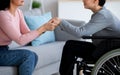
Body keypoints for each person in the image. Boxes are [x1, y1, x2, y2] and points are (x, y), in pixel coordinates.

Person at [58, 0, 120, 75]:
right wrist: (62, 26)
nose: (83, 0)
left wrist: (60, 22)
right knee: (71, 44)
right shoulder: (102, 13)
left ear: (96, 1)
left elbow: (80, 32)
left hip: (104, 51)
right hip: (104, 48)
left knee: (70, 46)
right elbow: (84, 30)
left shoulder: (103, 15)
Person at [0, 0, 60, 75]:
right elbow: (20, 40)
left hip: (5, 49)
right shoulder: (2, 15)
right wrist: (43, 28)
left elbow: (28, 34)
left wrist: (45, 26)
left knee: (34, 56)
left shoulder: (18, 12)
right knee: (28, 55)